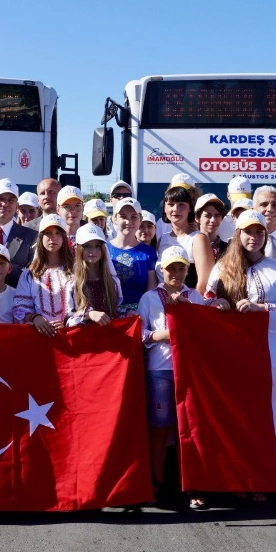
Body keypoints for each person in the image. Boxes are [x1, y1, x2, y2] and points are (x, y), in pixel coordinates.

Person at [139, 246, 202, 507]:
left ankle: (189, 482)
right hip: (160, 369)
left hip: (189, 369)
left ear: (188, 270)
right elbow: (140, 332)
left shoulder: (194, 296)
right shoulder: (149, 298)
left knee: (188, 428)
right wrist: (161, 336)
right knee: (159, 427)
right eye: (171, 268)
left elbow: (205, 329)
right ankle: (158, 482)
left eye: (181, 268)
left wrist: (190, 312)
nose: (176, 273)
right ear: (161, 270)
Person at [206, 210, 276, 311]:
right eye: (248, 231)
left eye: (259, 232)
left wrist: (262, 307)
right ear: (238, 234)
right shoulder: (221, 267)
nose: (254, 237)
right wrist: (215, 303)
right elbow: (206, 300)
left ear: (265, 235)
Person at [15, 215, 74, 335]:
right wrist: (34, 318)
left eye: (58, 233)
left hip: (68, 335)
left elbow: (82, 306)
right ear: (41, 237)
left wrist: (69, 322)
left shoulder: (74, 271)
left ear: (64, 237)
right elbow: (20, 308)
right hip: (38, 337)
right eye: (48, 233)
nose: (53, 238)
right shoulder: (29, 274)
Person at [0, 180, 37, 284]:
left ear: (17, 206)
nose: (5, 204)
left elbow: (33, 274)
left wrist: (6, 268)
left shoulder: (32, 237)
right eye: (0, 199)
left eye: (11, 200)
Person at [69, 225, 122, 325]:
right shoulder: (72, 284)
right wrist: (88, 314)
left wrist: (128, 313)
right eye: (87, 246)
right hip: (85, 334)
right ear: (78, 248)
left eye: (97, 246)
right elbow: (68, 320)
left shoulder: (113, 282)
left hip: (109, 334)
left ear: (103, 249)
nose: (93, 251)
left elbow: (116, 311)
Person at [108, 197, 157, 304]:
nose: (128, 222)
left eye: (133, 217)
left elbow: (151, 293)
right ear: (115, 218)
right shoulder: (104, 249)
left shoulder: (149, 253)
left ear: (140, 219)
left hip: (138, 312)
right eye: (123, 216)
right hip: (109, 312)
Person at [188, 193, 228, 293]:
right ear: (197, 218)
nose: (213, 220)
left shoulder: (229, 248)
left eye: (217, 215)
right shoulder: (187, 245)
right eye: (208, 215)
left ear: (222, 218)